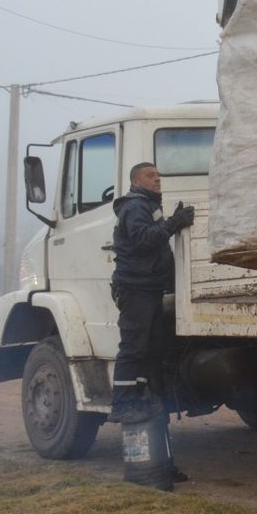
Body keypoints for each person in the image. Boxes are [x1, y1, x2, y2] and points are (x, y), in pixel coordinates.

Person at [109, 162, 193, 429]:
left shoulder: (149, 205)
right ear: (135, 182)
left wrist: (172, 223)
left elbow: (156, 244)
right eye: (150, 176)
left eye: (158, 174)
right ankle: (122, 405)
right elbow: (144, 239)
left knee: (150, 348)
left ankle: (142, 397)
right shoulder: (135, 207)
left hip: (149, 287)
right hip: (136, 289)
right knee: (134, 347)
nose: (157, 179)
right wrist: (173, 224)